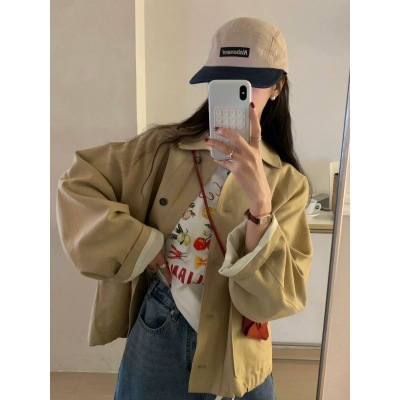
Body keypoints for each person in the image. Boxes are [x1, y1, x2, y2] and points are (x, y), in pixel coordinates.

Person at [56, 17, 313, 400]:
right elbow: (77, 184)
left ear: (278, 86)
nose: (236, 95)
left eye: (250, 82)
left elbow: (277, 297)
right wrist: (142, 246)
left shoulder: (288, 184)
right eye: (223, 80)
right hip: (163, 323)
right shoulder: (160, 149)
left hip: (240, 342)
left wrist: (260, 200)